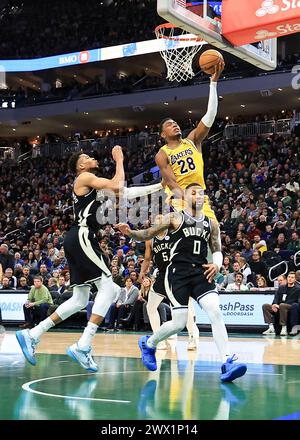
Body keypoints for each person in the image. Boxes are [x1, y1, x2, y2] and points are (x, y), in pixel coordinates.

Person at [117, 183, 247, 382]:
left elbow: (217, 247)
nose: (199, 195)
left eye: (202, 192)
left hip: (201, 272)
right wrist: (130, 233)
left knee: (215, 311)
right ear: (185, 197)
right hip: (177, 273)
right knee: (178, 323)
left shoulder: (211, 223)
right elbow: (148, 234)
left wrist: (217, 265)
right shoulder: (175, 217)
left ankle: (227, 362)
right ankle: (149, 343)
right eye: (193, 192)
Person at [16, 146, 125, 371]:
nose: (92, 157)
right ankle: (83, 344)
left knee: (79, 300)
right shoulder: (85, 176)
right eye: (87, 157)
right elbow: (117, 184)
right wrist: (120, 159)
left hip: (78, 238)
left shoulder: (90, 183)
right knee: (111, 290)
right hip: (83, 235)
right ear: (81, 166)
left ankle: (33, 333)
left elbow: (119, 191)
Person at [139, 215, 199, 350]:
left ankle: (192, 337)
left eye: (161, 220)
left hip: (178, 274)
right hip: (162, 275)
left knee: (186, 306)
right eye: (156, 220)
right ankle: (159, 338)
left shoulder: (175, 234)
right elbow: (147, 259)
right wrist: (142, 272)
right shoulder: (150, 239)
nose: (158, 222)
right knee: (150, 306)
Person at [262, 271, 300, 336]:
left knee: (282, 305)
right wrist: (274, 304)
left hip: (290, 307)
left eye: (292, 277)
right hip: (280, 306)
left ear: (295, 279)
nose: (290, 279)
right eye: (289, 277)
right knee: (265, 306)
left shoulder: (298, 289)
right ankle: (271, 328)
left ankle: (284, 328)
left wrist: (280, 305)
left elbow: (296, 302)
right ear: (287, 278)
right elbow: (276, 297)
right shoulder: (281, 287)